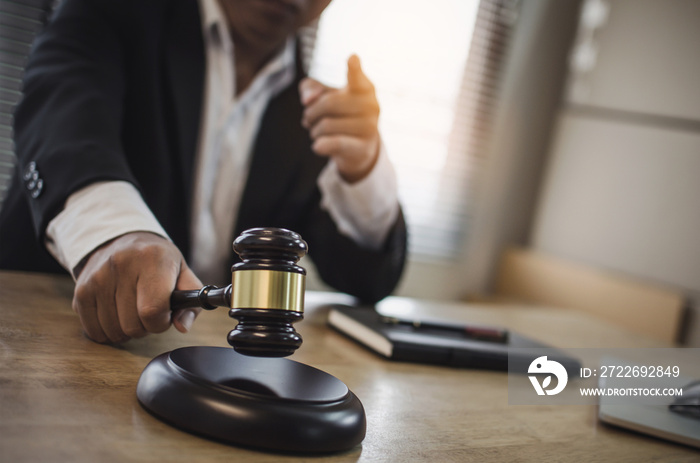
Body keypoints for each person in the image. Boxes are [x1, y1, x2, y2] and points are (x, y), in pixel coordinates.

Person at [0, 0, 407, 344]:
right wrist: (116, 231)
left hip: (192, 363)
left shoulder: (314, 115)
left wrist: (363, 170)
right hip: (36, 338)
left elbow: (368, 279)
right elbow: (60, 117)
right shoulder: (116, 11)